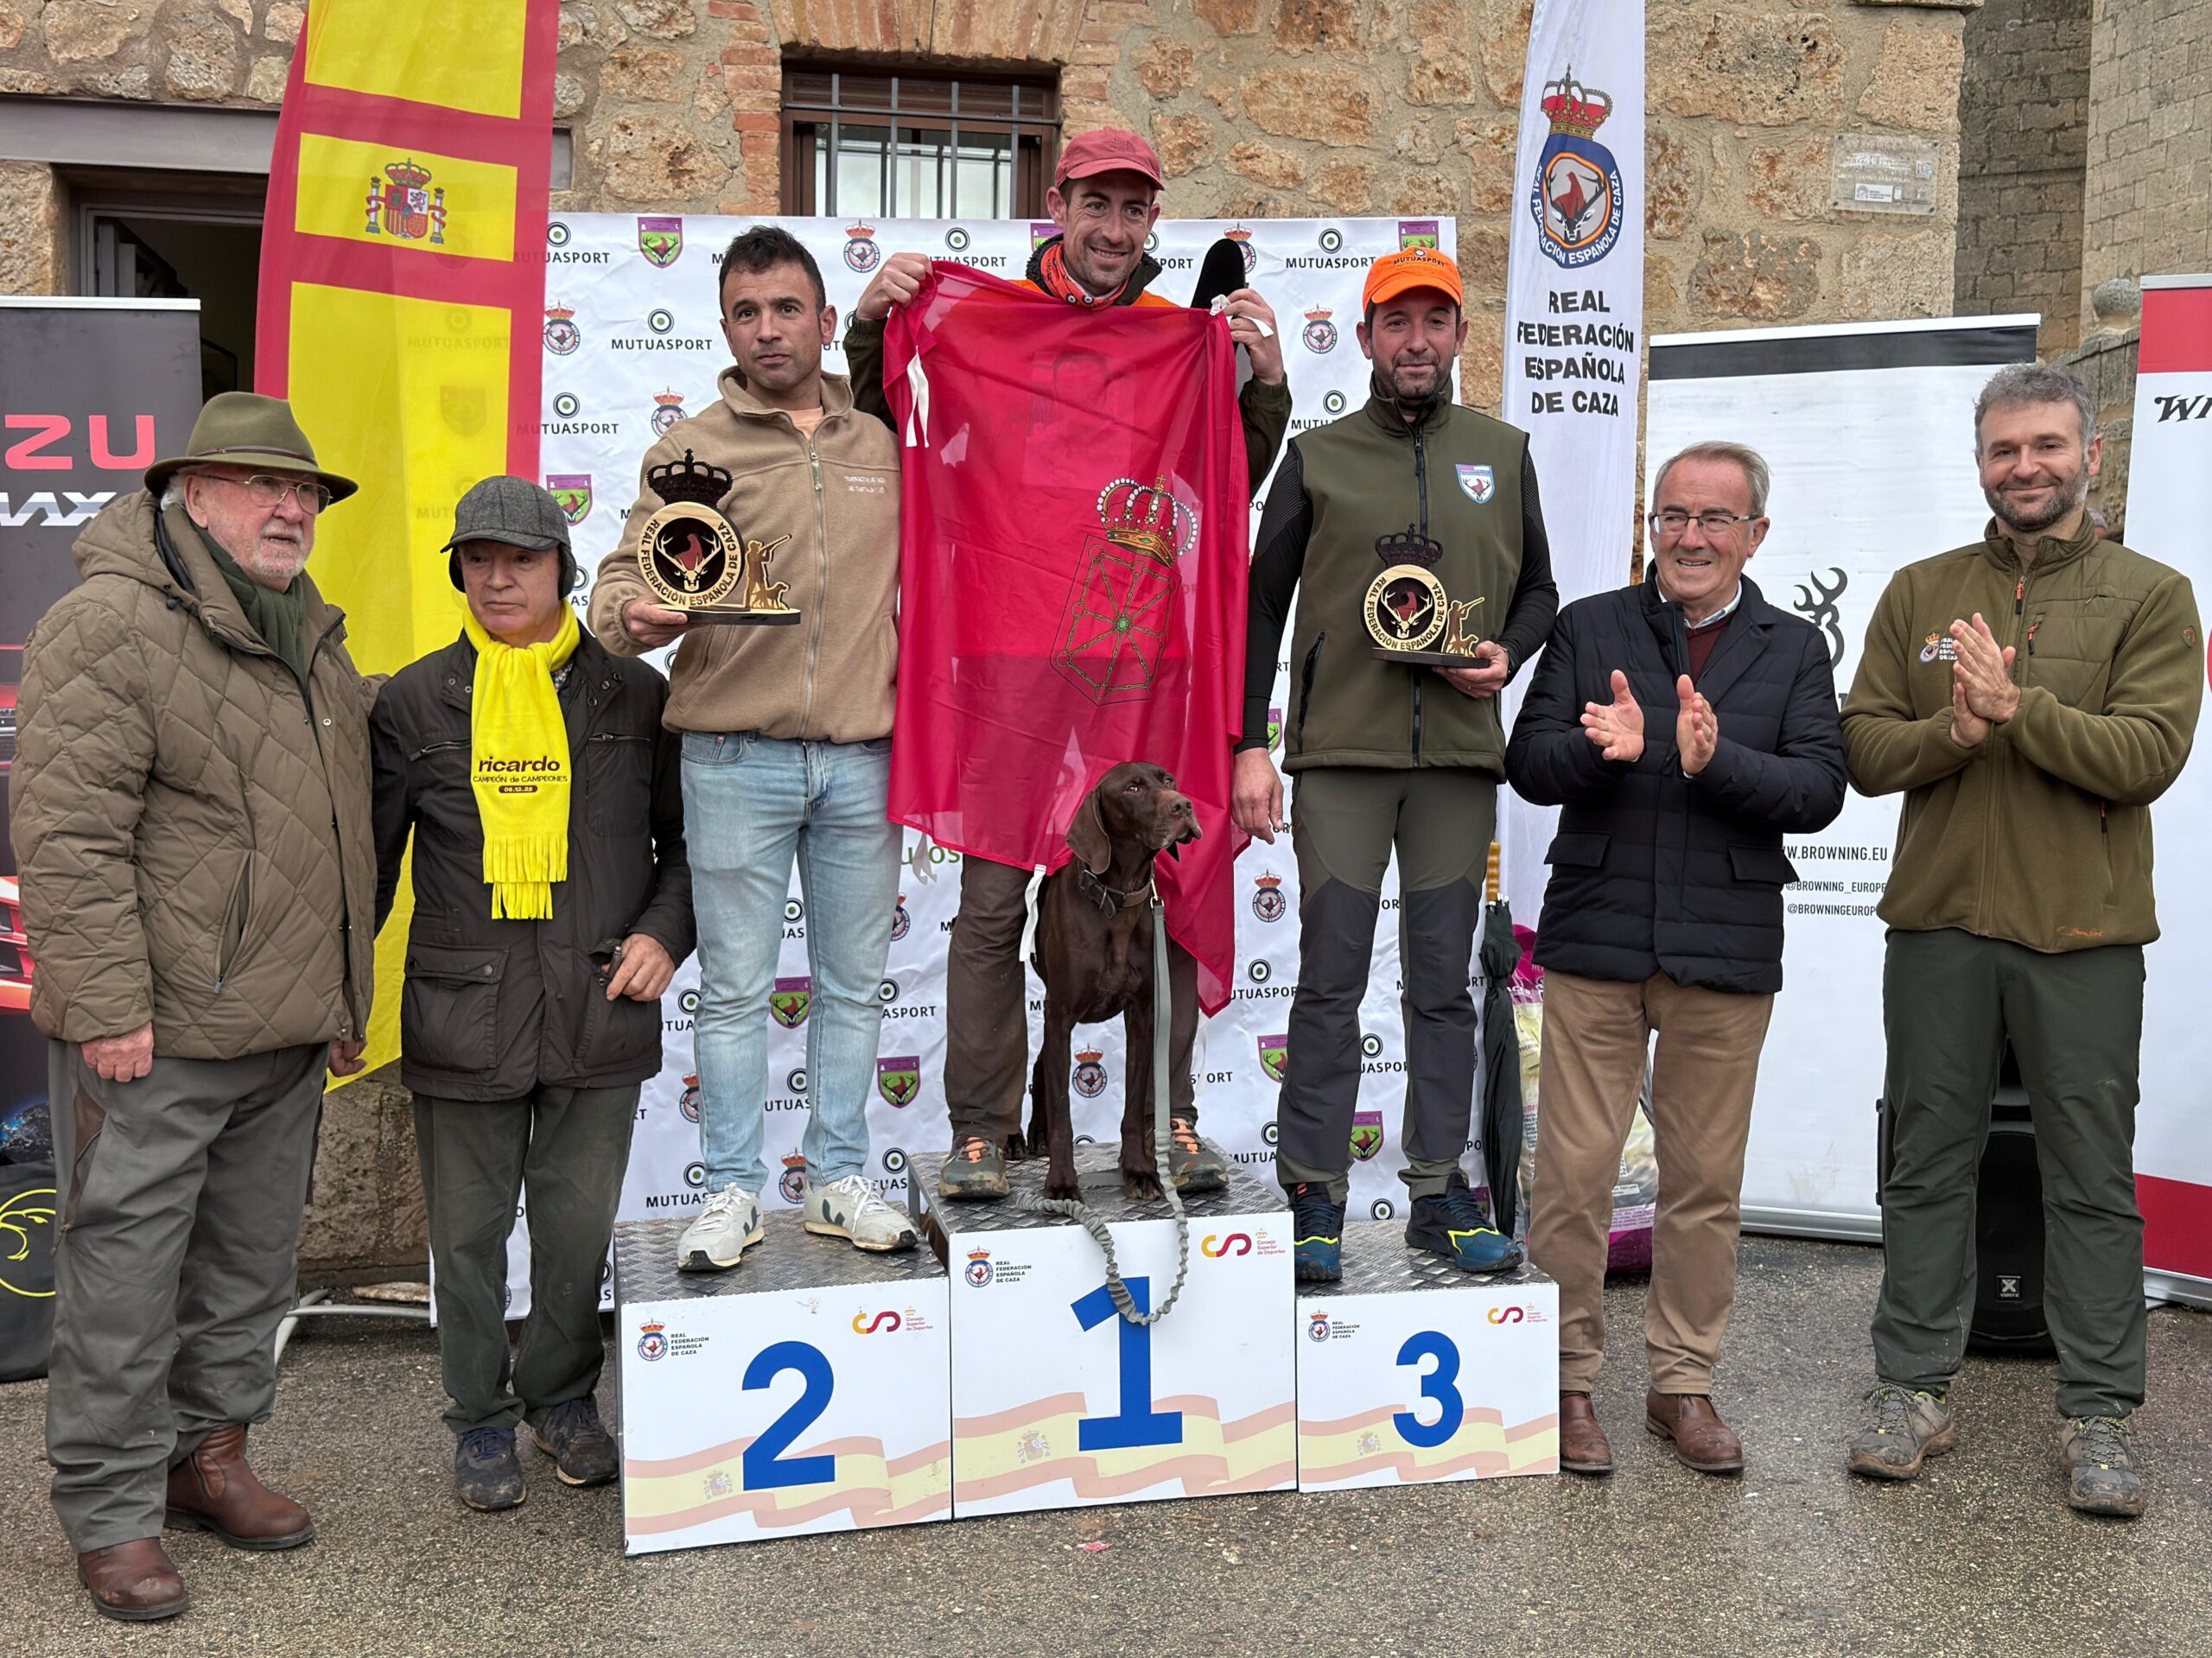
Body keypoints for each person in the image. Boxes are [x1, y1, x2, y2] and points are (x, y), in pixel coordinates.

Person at [842, 127, 1294, 1199]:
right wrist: (869, 328)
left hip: (1134, 661)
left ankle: (1167, 1119)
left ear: (1153, 221)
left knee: (1160, 885)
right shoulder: (989, 322)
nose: (1113, 228)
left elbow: (1222, 480)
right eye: (1097, 204)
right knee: (994, 902)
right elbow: (892, 430)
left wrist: (1263, 387)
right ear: (1058, 205)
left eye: (1134, 209)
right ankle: (981, 1131)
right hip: (1008, 663)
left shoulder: (1175, 338)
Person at [10, 393, 374, 1622]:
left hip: (283, 1028)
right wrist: (108, 1005)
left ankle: (206, 1456)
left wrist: (342, 993)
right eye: (263, 485)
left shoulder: (309, 632)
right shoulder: (106, 624)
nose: (291, 508)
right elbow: (67, 836)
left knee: (246, 1269)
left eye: (305, 491)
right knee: (124, 1276)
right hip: (154, 1034)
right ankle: (112, 1510)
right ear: (191, 493)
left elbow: (336, 831)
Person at [1840, 363, 2201, 1517]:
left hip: (2083, 935)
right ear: (1981, 462)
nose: (2025, 466)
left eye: (2047, 445)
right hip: (1938, 928)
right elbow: (1863, 747)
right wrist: (1951, 733)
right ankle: (1910, 1388)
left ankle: (2099, 1413)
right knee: (1925, 1166)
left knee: (2090, 1176)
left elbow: (2147, 754)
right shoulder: (1922, 590)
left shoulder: (2152, 595)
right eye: (2005, 448)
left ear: (2091, 455)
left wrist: (2016, 709)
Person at [1504, 441, 1847, 1477]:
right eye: (1672, 515)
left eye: (1713, 518)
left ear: (1755, 534)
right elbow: (1528, 761)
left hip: (1724, 947)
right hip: (1597, 934)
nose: (1689, 536)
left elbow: (1818, 789)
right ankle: (1565, 1380)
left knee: (1702, 1183)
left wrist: (1712, 759)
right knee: (1572, 1176)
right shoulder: (1589, 625)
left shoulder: (1794, 647)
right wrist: (1597, 749)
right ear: (1649, 524)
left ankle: (1680, 1385)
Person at [588, 226, 918, 1269]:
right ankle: (730, 1188)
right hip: (733, 756)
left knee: (854, 986)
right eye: (746, 312)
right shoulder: (690, 449)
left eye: (786, 309)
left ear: (825, 321)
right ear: (725, 327)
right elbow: (618, 579)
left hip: (864, 755)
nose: (768, 329)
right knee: (733, 990)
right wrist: (631, 615)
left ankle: (836, 1179)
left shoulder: (884, 442)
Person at [1233, 247, 1558, 1280]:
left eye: (1435, 321)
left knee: (1443, 988)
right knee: (1328, 983)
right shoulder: (1318, 457)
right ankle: (1312, 1197)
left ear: (1459, 334)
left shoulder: (1501, 452)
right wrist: (1248, 742)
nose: (1416, 342)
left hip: (1457, 760)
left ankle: (1437, 1194)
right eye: (1397, 323)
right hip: (1340, 757)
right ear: (1366, 336)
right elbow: (1259, 604)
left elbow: (1540, 590)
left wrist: (1509, 651)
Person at [371, 477, 692, 1511]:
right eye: (479, 559)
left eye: (522, 558)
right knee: (466, 1236)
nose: (498, 578)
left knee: (575, 1227)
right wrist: (337, 994)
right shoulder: (414, 700)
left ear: (564, 566)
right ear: (458, 570)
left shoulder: (636, 695)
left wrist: (663, 931)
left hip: (600, 999)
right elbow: (370, 865)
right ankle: (478, 1414)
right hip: (462, 1007)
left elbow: (688, 845)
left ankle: (562, 1398)